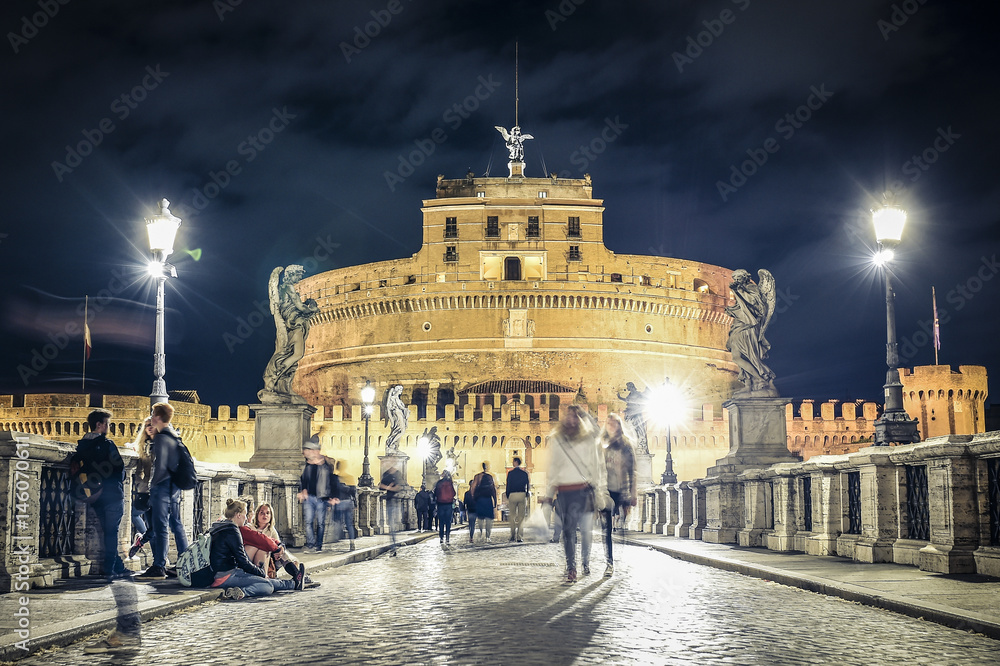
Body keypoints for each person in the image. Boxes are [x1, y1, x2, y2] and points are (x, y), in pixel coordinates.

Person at [543, 405, 608, 583]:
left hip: (584, 490)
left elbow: (597, 435)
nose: (571, 420)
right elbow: (553, 467)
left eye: (575, 417)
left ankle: (585, 562)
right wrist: (549, 492)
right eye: (568, 416)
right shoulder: (557, 440)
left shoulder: (587, 439)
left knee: (586, 531)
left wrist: (584, 413)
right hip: (565, 491)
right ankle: (571, 567)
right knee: (568, 532)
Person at [204, 499, 303, 600]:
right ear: (238, 515)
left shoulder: (221, 526)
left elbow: (261, 539)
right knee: (267, 586)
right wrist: (260, 573)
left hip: (222, 573)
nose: (246, 518)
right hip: (225, 576)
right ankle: (242, 592)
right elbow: (243, 561)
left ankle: (293, 583)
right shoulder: (232, 530)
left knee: (266, 582)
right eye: (245, 514)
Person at [76, 408, 130, 580]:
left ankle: (118, 566)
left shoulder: (82, 446)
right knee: (111, 532)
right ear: (99, 425)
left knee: (107, 532)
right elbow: (119, 468)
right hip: (112, 494)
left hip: (94, 495)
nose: (109, 427)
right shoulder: (107, 444)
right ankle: (109, 568)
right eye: (107, 424)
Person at [137, 402, 187, 580]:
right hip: (173, 489)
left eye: (152, 415)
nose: (151, 419)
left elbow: (161, 467)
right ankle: (183, 562)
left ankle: (159, 566)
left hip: (163, 489)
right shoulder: (173, 435)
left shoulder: (162, 438)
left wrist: (153, 488)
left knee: (161, 527)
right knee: (175, 525)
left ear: (157, 417)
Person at [601, 413, 637, 577]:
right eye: (609, 424)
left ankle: (619, 557)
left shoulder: (626, 445)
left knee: (620, 527)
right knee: (606, 529)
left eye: (614, 424)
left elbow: (632, 471)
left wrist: (633, 492)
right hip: (605, 490)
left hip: (621, 490)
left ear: (619, 426)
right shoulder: (601, 445)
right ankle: (609, 563)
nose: (612, 426)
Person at [297, 435, 340, 553]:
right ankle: (311, 544)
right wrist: (303, 489)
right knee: (308, 522)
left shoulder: (326, 464)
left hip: (322, 498)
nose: (304, 453)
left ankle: (318, 545)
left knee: (321, 523)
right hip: (309, 497)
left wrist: (333, 497)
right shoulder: (308, 465)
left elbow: (332, 480)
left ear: (314, 451)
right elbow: (304, 479)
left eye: (306, 450)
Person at [127, 419, 155, 560]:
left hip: (158, 491)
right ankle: (144, 542)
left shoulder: (160, 445)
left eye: (152, 425)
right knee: (154, 526)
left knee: (156, 527)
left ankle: (142, 541)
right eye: (147, 425)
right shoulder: (143, 445)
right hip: (146, 491)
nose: (149, 428)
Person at [332, 460, 357, 551]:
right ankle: (352, 543)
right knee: (349, 523)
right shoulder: (349, 477)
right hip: (349, 502)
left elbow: (333, 490)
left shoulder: (336, 478)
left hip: (340, 502)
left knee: (337, 521)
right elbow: (354, 491)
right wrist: (356, 504)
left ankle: (336, 537)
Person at [469, 462, 497, 543]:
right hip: (488, 499)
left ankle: (481, 533)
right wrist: (494, 500)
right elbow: (493, 489)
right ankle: (488, 536)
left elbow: (473, 488)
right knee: (489, 519)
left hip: (479, 499)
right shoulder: (490, 477)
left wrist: (473, 497)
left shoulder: (477, 476)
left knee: (480, 518)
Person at [379, 465, 402, 555]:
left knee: (393, 525)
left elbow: (398, 488)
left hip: (395, 502)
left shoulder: (397, 474)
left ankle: (393, 546)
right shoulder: (386, 475)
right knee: (391, 525)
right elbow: (380, 486)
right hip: (389, 501)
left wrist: (387, 487)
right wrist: (390, 487)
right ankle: (393, 546)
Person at [505, 456, 530, 542]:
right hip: (522, 494)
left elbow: (508, 485)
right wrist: (526, 493)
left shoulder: (511, 473)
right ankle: (519, 536)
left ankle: (512, 535)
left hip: (512, 494)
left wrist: (508, 494)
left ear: (515, 462)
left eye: (513, 461)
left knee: (512, 516)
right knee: (521, 517)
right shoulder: (525, 473)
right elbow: (528, 485)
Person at [433, 470, 457, 548]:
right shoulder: (450, 483)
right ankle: (447, 537)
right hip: (449, 505)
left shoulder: (439, 483)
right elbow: (454, 493)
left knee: (441, 522)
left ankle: (441, 537)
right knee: (448, 522)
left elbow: (435, 493)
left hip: (440, 505)